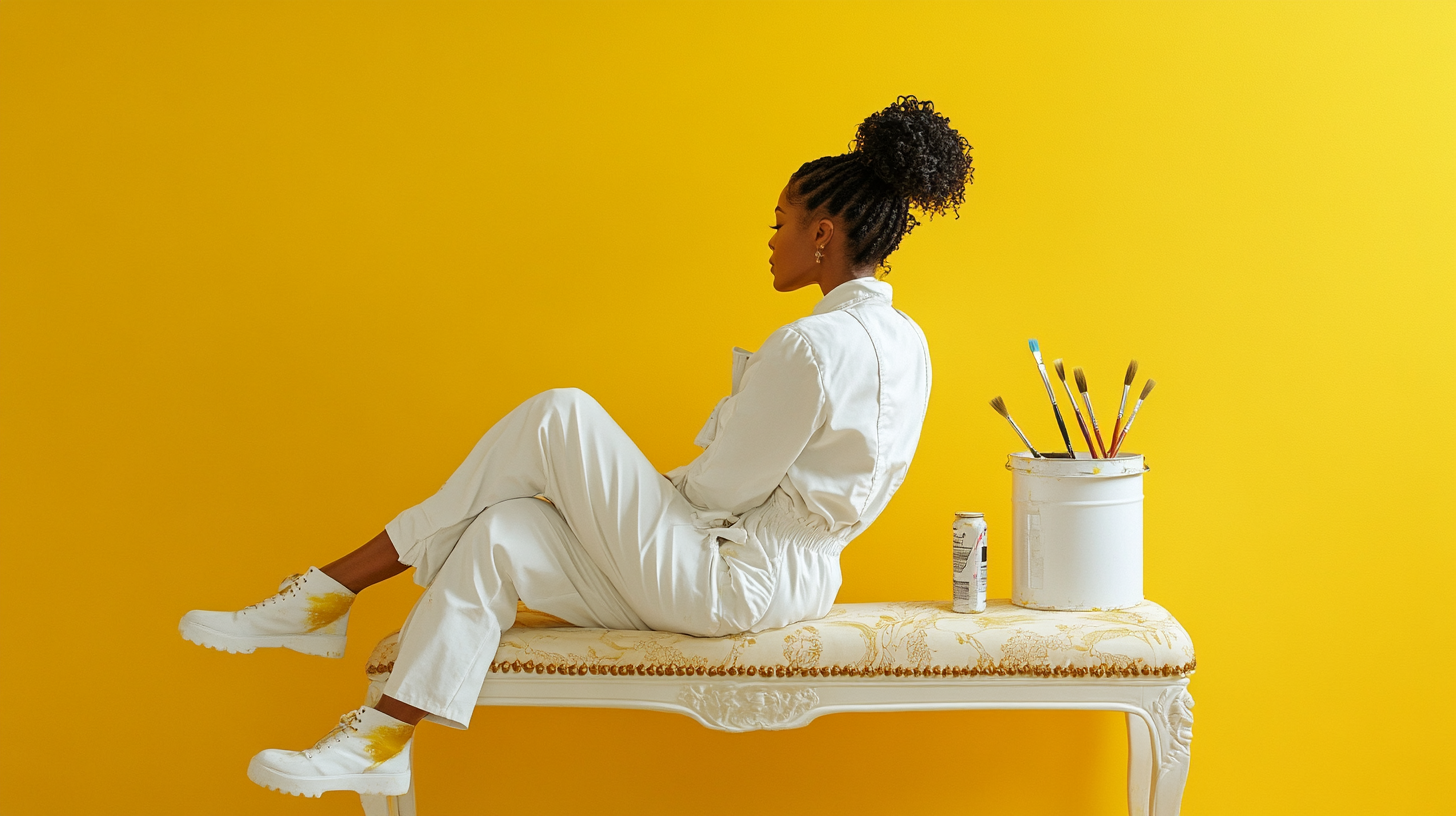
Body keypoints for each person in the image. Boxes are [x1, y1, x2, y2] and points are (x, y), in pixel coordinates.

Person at [179, 95, 972, 799]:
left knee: (559, 416)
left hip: (733, 583)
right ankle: (380, 738)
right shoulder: (909, 340)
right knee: (503, 533)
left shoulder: (810, 345)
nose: (770, 241)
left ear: (822, 233)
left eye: (779, 223)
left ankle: (329, 591)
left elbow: (717, 495)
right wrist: (596, 502)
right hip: (782, 575)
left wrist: (599, 494)